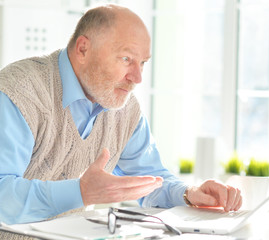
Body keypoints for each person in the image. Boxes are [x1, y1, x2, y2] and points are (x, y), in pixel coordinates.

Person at [0, 4, 242, 239]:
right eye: (126, 59)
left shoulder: (123, 107)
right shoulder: (19, 92)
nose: (137, 77)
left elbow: (150, 176)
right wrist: (81, 192)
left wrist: (190, 194)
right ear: (83, 49)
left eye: (143, 62)